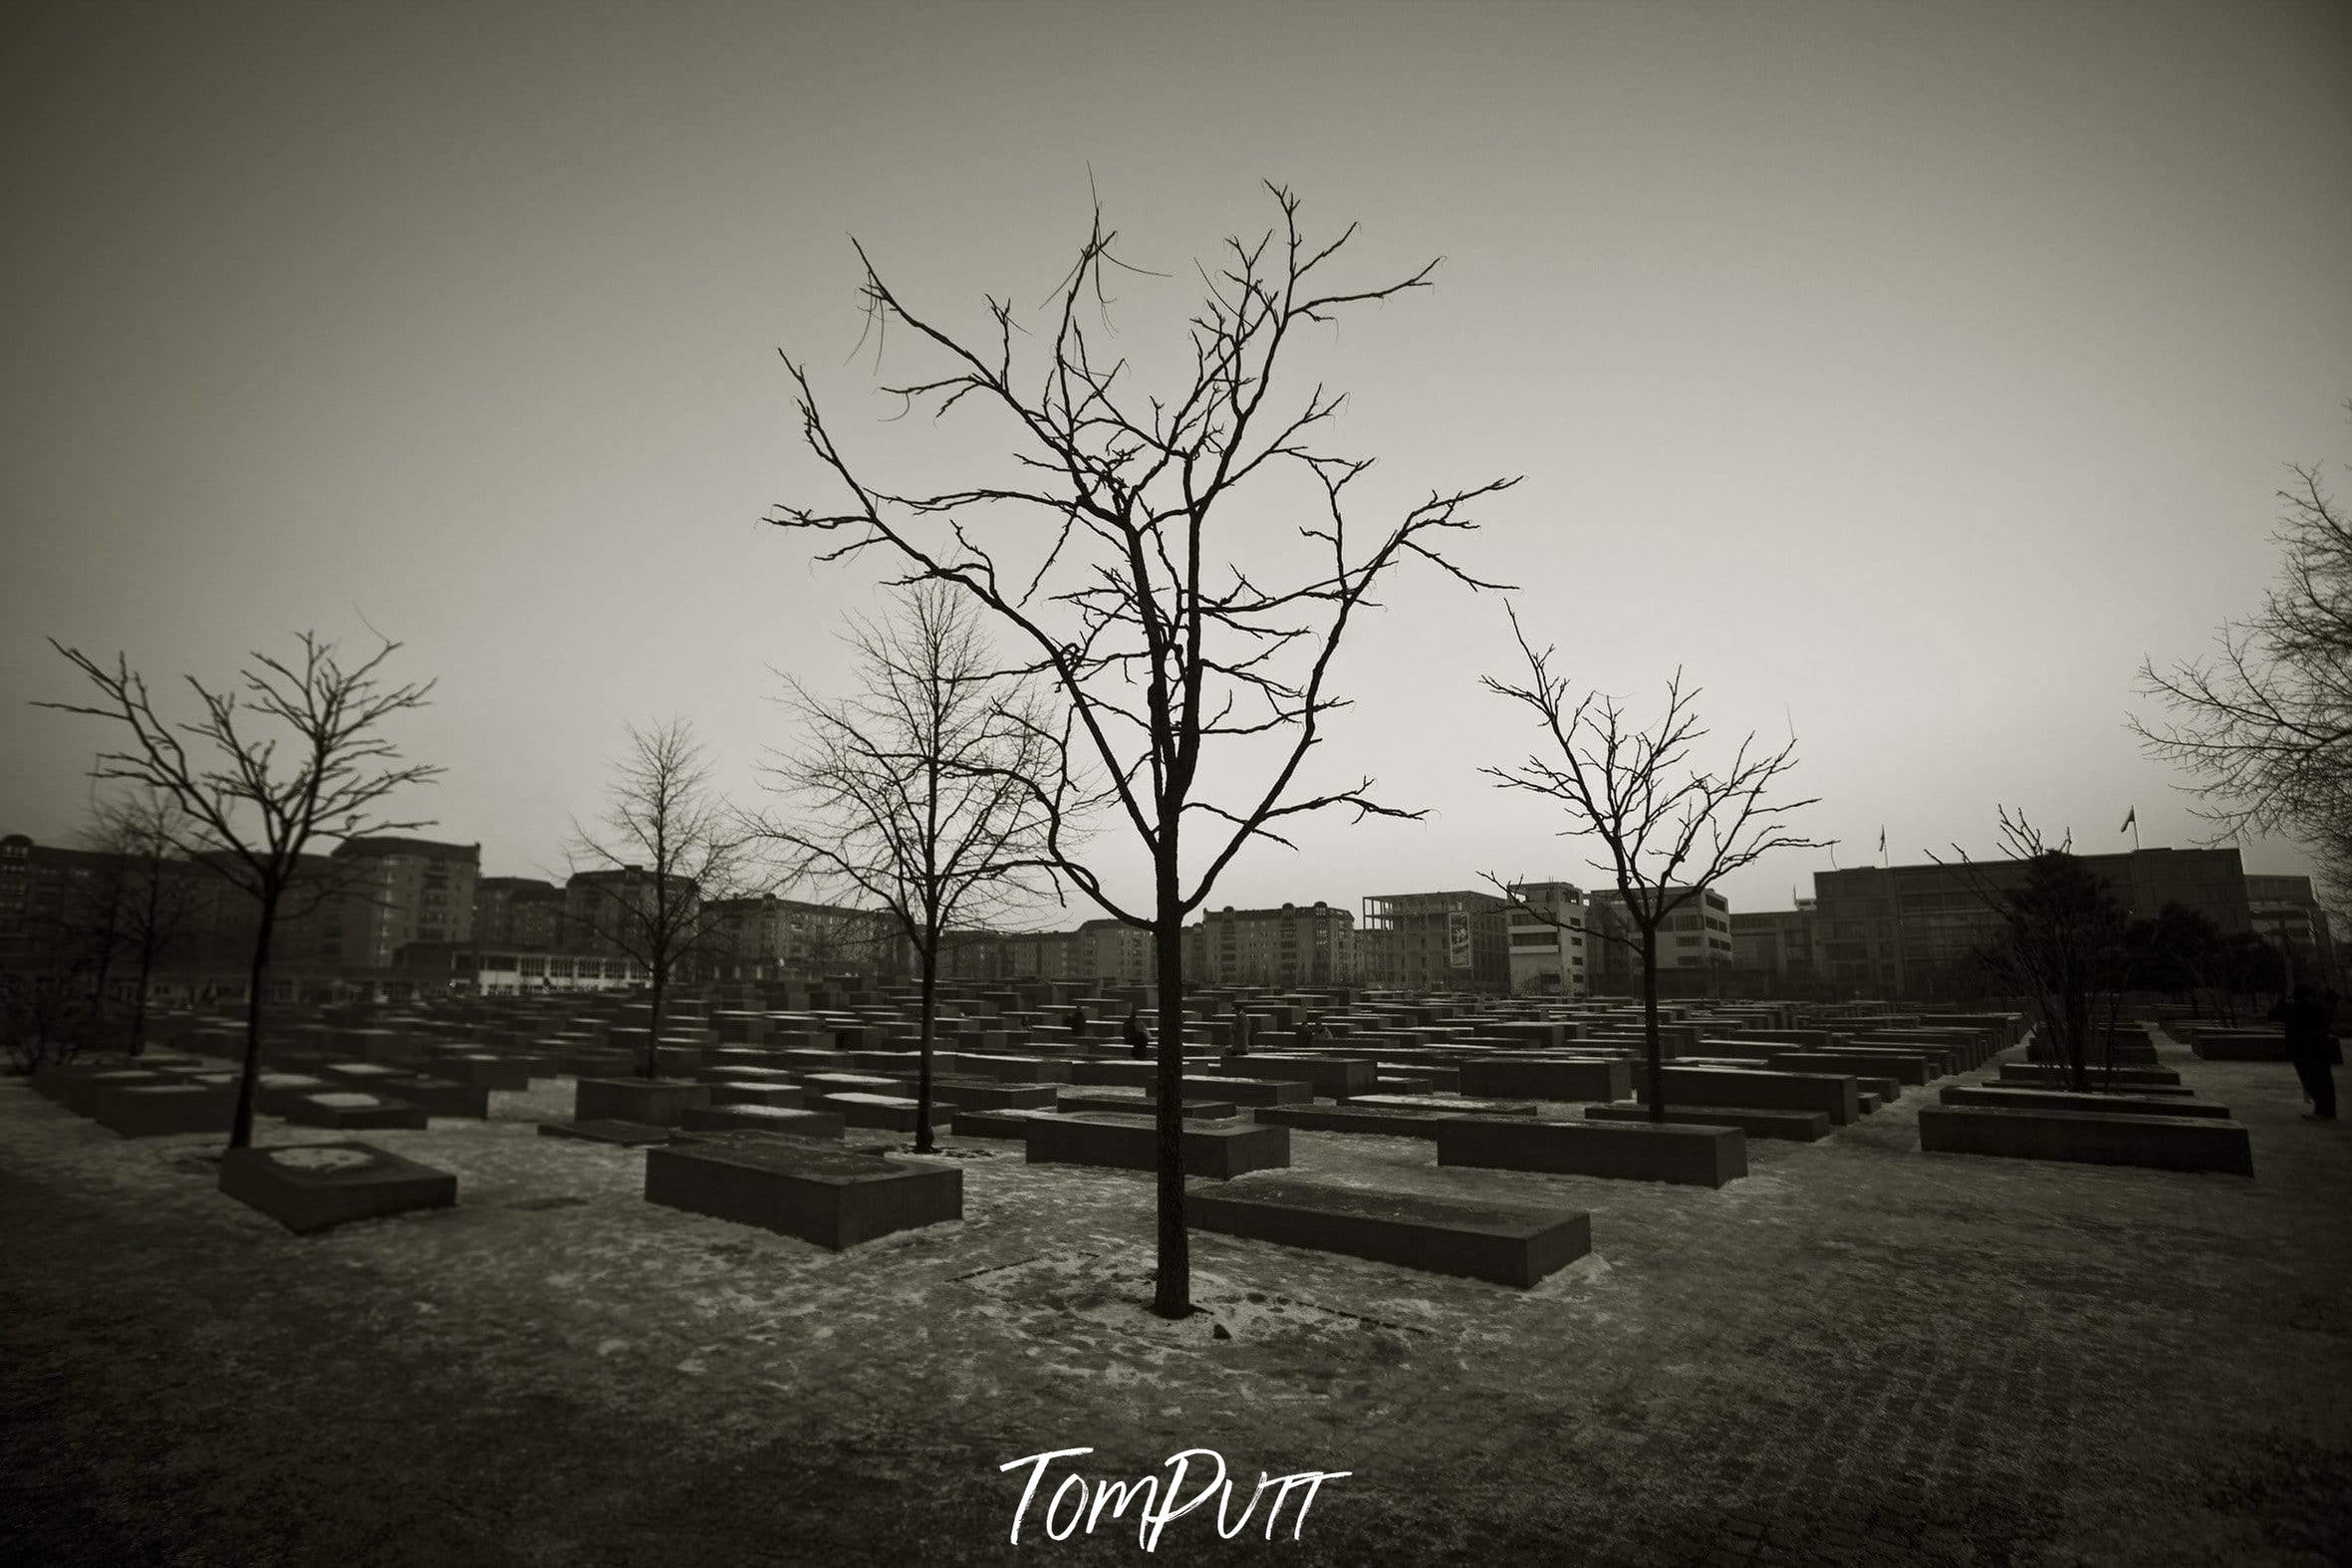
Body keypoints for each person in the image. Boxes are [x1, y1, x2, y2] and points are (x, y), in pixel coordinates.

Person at [2278, 982, 2338, 1121]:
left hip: (2302, 1051)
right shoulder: (2320, 1009)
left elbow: (2278, 1015)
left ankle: (2322, 1110)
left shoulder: (2294, 1009)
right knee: (2324, 1081)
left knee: (2311, 1081)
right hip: (2321, 1050)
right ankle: (2327, 1110)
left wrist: (2284, 998)